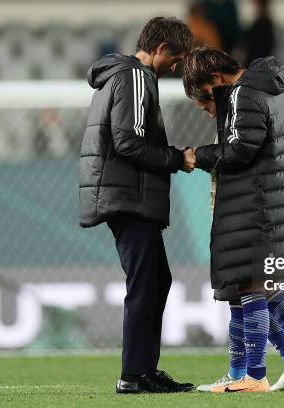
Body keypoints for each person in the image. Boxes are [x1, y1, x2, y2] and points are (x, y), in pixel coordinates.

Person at [182, 47, 284, 392]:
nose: (210, 113)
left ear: (215, 80)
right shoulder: (275, 88)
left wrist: (198, 156)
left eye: (207, 102)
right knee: (262, 287)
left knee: (253, 286)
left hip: (261, 206)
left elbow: (240, 149)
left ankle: (255, 375)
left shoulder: (243, 93)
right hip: (282, 202)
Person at [79, 17, 196, 394]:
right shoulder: (134, 77)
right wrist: (177, 159)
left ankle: (145, 369)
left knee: (156, 280)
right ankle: (133, 375)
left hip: (125, 193)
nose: (176, 68)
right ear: (160, 49)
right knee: (145, 283)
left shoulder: (128, 77)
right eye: (175, 59)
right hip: (128, 196)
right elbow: (127, 142)